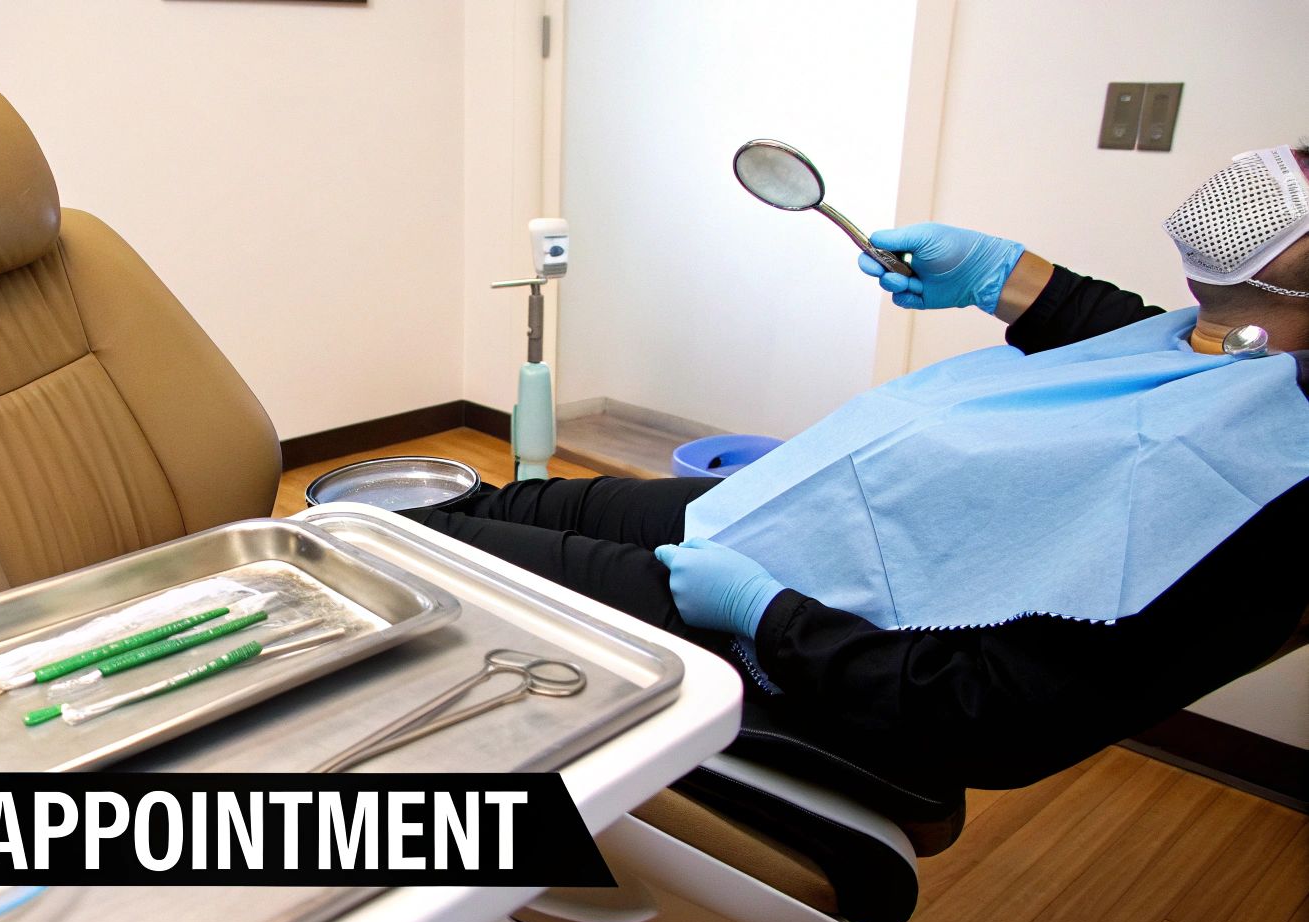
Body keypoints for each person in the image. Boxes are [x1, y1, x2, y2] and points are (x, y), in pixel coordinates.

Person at [405, 143, 1309, 791]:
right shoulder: (1221, 361)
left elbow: (996, 716)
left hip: (834, 645)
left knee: (429, 551)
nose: (1275, 179)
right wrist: (1002, 273)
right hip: (807, 526)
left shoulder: (1262, 493)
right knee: (486, 501)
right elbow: (1122, 337)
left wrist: (767, 613)